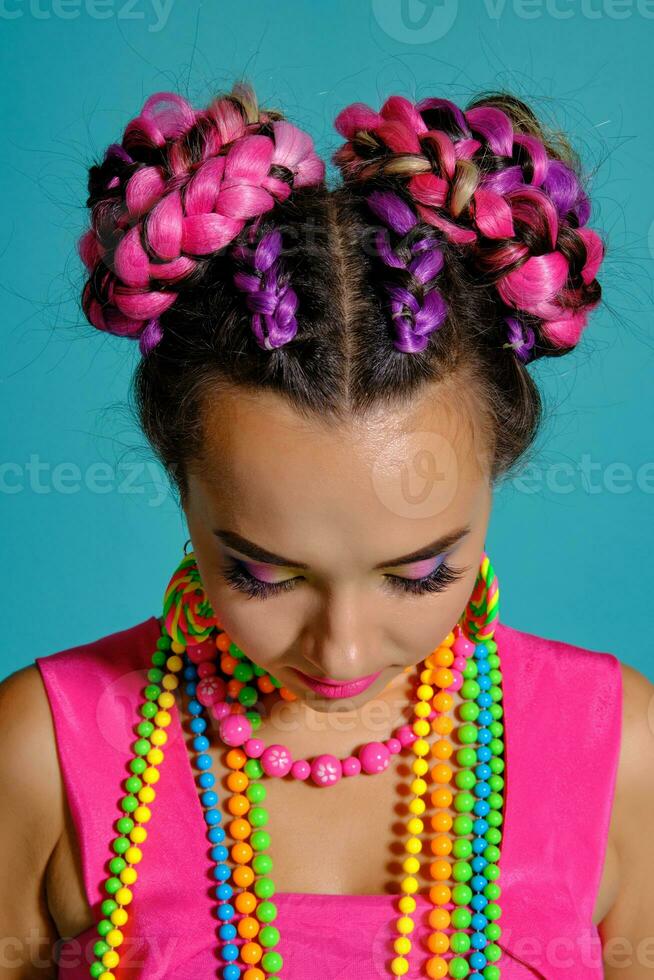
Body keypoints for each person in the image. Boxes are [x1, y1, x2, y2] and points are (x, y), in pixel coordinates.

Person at [1, 81, 652, 980]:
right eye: (265, 576)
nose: (341, 654)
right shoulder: (42, 750)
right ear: (180, 483)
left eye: (421, 574)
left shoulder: (618, 751)